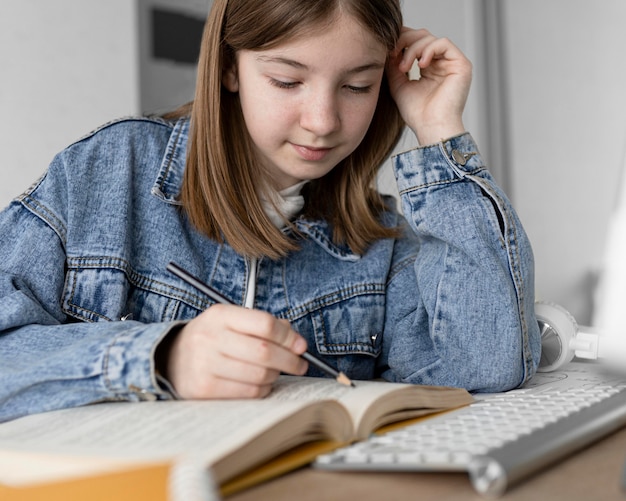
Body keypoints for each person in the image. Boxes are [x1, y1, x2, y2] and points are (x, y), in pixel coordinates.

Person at [0, 0, 541, 423]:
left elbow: (485, 364)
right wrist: (161, 357)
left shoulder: (381, 238)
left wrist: (439, 130)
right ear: (230, 69)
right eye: (287, 81)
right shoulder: (107, 171)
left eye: (358, 85)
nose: (323, 120)